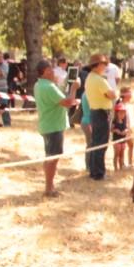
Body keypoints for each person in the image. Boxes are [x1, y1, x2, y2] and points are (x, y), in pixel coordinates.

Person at [33, 58, 79, 196]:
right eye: (50, 69)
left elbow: (58, 98)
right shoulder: (49, 87)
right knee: (53, 158)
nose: (53, 71)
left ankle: (49, 185)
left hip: (47, 124)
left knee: (49, 156)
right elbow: (67, 102)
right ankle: (49, 189)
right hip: (53, 126)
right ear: (45, 72)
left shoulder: (39, 85)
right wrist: (74, 88)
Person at [84, 53, 116, 180]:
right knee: (101, 143)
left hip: (95, 112)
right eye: (103, 64)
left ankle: (94, 170)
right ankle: (99, 172)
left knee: (95, 142)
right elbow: (112, 94)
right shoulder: (99, 80)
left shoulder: (90, 78)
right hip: (102, 113)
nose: (105, 66)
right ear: (96, 65)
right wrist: (111, 94)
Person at [110, 100, 130, 171]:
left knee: (122, 154)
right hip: (117, 140)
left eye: (124, 113)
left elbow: (127, 128)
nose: (122, 114)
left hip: (123, 140)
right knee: (117, 154)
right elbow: (111, 129)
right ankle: (116, 168)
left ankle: (121, 167)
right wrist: (116, 130)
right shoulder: (114, 121)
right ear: (117, 113)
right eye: (121, 112)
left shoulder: (124, 121)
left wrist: (125, 131)